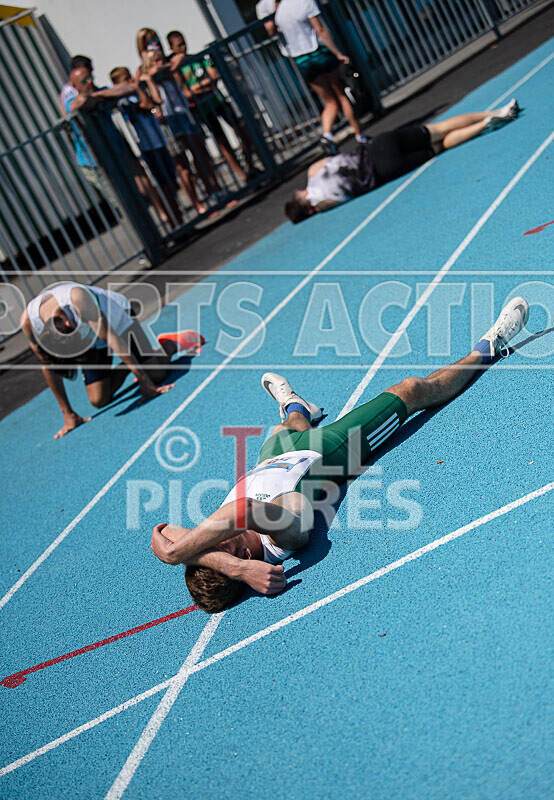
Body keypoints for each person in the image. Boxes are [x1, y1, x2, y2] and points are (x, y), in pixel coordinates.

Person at [150, 297, 530, 613]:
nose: (213, 539)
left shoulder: (217, 549)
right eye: (224, 547)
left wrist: (202, 557)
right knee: (413, 389)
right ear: (247, 564)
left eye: (209, 548)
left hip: (273, 455)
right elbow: (243, 510)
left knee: (288, 428)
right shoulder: (282, 539)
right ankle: (489, 347)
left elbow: (163, 534)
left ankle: (295, 405)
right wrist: (217, 563)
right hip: (334, 448)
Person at [285, 99, 521, 223]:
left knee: (438, 147)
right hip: (376, 147)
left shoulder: (324, 204)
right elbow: (331, 158)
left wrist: (315, 207)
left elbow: (340, 200)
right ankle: (492, 112)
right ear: (298, 196)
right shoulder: (312, 172)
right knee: (438, 129)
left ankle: (482, 126)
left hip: (385, 170)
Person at [20, 282, 204, 439]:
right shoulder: (29, 322)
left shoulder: (77, 298)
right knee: (99, 399)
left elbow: (111, 337)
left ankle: (167, 345)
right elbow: (48, 365)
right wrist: (68, 413)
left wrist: (145, 382)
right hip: (88, 337)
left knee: (156, 374)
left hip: (117, 318)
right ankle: (132, 364)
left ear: (68, 324)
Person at [270, 0, 366, 154]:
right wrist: (337, 53)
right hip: (318, 53)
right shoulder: (305, 2)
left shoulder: (279, 10)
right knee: (341, 95)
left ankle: (327, 136)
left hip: (301, 60)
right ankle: (360, 135)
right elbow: (320, 30)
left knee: (329, 102)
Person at [167, 30, 258, 183]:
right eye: (179, 45)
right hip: (203, 109)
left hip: (217, 101)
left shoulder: (198, 58)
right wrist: (203, 86)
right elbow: (186, 92)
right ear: (172, 48)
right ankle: (243, 175)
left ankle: (250, 166)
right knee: (222, 141)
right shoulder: (176, 70)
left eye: (184, 43)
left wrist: (199, 87)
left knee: (241, 128)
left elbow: (213, 77)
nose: (183, 48)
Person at [140, 49, 227, 209]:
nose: (160, 62)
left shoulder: (170, 71)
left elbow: (180, 58)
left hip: (184, 113)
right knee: (183, 166)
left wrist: (165, 68)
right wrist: (152, 79)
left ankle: (214, 189)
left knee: (200, 153)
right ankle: (196, 202)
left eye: (161, 58)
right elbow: (157, 100)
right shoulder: (148, 79)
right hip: (169, 120)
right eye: (155, 60)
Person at [110, 66, 183, 227]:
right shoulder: (125, 101)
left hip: (159, 141)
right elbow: (146, 104)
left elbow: (156, 101)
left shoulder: (136, 93)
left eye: (130, 77)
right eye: (126, 79)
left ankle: (178, 217)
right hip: (147, 147)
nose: (131, 81)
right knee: (163, 186)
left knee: (172, 181)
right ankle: (174, 221)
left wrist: (148, 81)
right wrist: (136, 87)